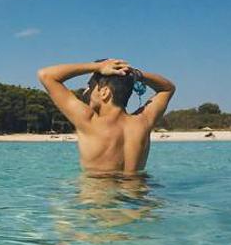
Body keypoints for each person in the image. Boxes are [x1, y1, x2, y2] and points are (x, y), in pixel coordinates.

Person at [37, 59, 176, 174]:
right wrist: (135, 74)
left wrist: (98, 66)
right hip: (138, 202)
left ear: (104, 92)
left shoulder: (89, 121)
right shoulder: (143, 122)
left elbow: (46, 75)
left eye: (90, 86)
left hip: (100, 203)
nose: (86, 91)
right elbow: (167, 88)